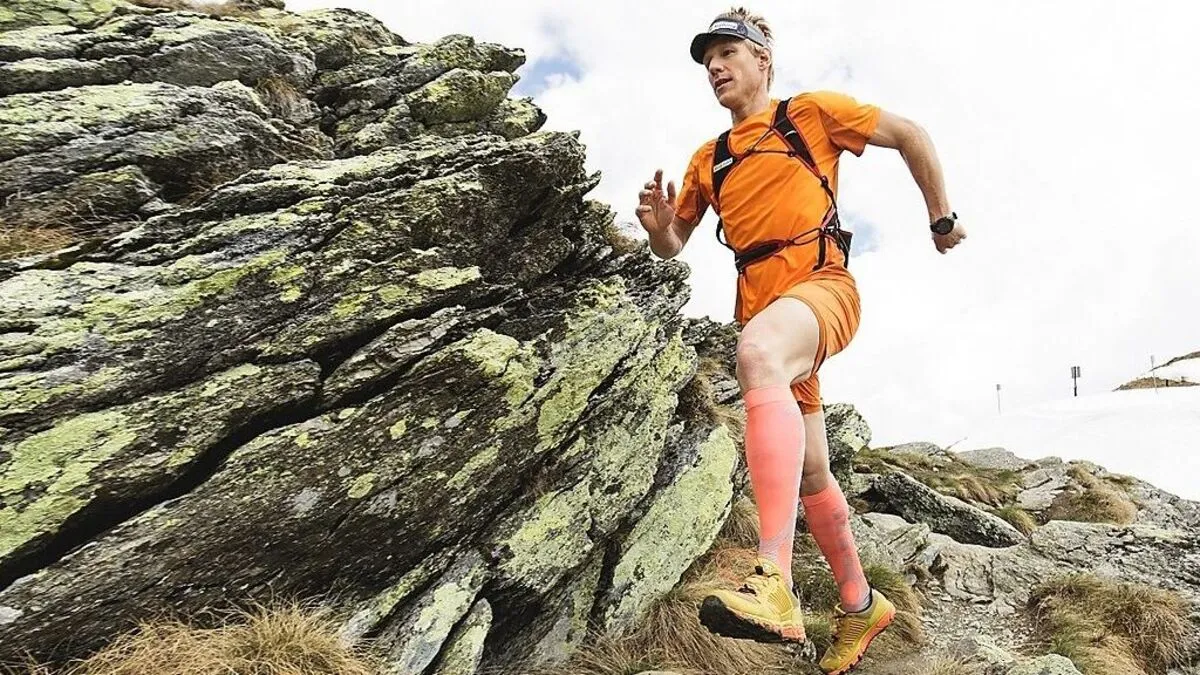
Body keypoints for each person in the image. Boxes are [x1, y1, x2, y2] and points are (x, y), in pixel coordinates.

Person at [635, 7, 966, 674]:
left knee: (755, 354)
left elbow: (910, 134)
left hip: (821, 289)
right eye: (707, 60)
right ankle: (859, 602)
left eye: (728, 52)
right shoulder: (712, 157)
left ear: (764, 60)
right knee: (813, 468)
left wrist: (941, 217)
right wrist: (659, 227)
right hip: (766, 309)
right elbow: (674, 248)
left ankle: (774, 582)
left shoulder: (809, 114)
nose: (716, 67)